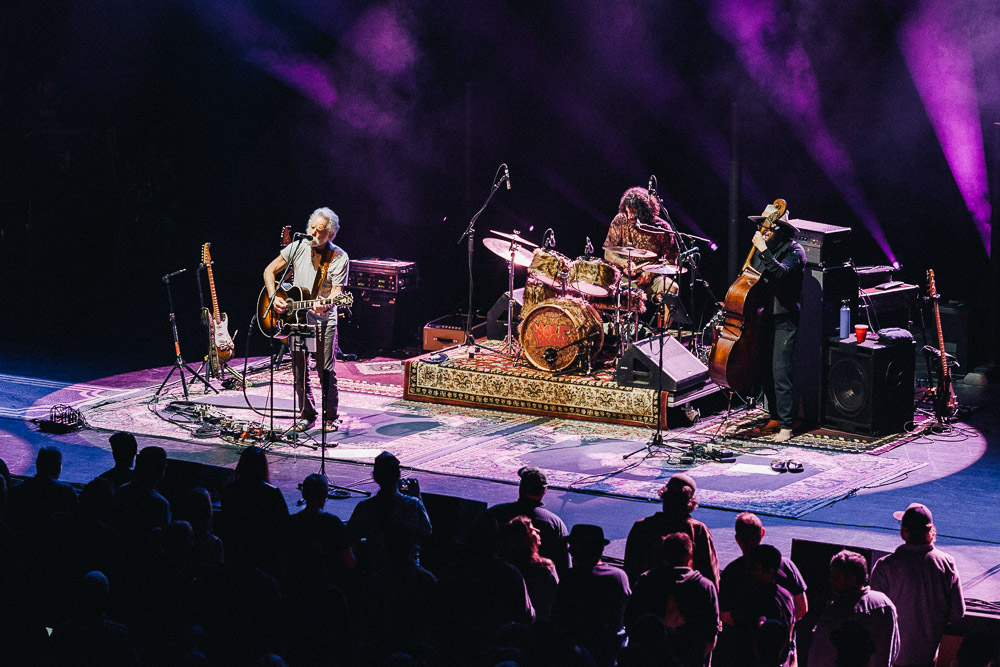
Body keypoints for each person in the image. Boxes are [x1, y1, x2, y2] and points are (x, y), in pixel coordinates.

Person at [263, 207, 349, 432]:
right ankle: (307, 414)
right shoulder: (298, 246)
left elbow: (337, 293)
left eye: (320, 231)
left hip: (323, 321)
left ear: (330, 235)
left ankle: (331, 416)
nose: (313, 232)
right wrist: (274, 297)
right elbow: (269, 271)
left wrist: (327, 302)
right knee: (299, 368)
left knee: (325, 369)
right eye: (312, 227)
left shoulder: (339, 257)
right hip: (298, 321)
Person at [869, 503, 965, 667]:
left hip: (889, 659)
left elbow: (872, 614)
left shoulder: (885, 566)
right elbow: (957, 613)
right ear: (931, 530)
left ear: (904, 531)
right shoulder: (946, 564)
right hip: (926, 658)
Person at [747, 204, 806, 443]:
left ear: (780, 229)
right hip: (765, 316)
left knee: (781, 372)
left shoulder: (795, 251)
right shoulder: (766, 249)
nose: (763, 230)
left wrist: (762, 250)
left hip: (785, 317)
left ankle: (787, 426)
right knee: (764, 370)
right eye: (761, 226)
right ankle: (775, 416)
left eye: (767, 226)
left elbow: (780, 274)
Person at [716, 513, 808, 666]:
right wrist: (785, 639)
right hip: (783, 653)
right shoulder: (787, 567)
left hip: (744, 654)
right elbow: (802, 608)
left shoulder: (732, 571)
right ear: (762, 533)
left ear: (737, 539)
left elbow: (725, 617)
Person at [625, 532, 720, 667]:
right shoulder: (705, 587)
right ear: (690, 555)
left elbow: (631, 621)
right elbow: (711, 638)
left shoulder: (646, 582)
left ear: (664, 556)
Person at [551, 524, 631, 667]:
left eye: (573, 546)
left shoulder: (570, 578)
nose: (569, 550)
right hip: (611, 650)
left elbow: (558, 618)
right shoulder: (619, 576)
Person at [623, 472, 719, 587]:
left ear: (664, 496)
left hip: (649, 596)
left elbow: (630, 571)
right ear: (689, 502)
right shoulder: (698, 530)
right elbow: (711, 574)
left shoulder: (642, 527)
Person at [808, 549, 899, 667]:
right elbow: (894, 649)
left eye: (836, 577)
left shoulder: (834, 612)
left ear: (852, 579)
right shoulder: (884, 604)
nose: (831, 580)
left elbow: (819, 656)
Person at [347, 451, 432, 571]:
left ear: (375, 477)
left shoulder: (365, 507)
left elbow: (350, 539)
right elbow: (427, 530)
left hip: (376, 572)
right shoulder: (412, 504)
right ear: (398, 475)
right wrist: (417, 496)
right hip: (409, 572)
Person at [603, 186, 680, 304]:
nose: (629, 216)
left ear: (645, 212)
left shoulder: (662, 228)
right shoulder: (620, 220)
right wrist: (623, 263)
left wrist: (650, 273)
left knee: (672, 288)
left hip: (652, 280)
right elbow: (608, 252)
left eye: (634, 213)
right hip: (624, 279)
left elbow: (672, 261)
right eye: (628, 212)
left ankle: (663, 323)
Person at [488, 466, 570, 576]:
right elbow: (564, 566)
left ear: (520, 487)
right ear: (544, 491)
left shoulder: (495, 514)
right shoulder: (555, 524)